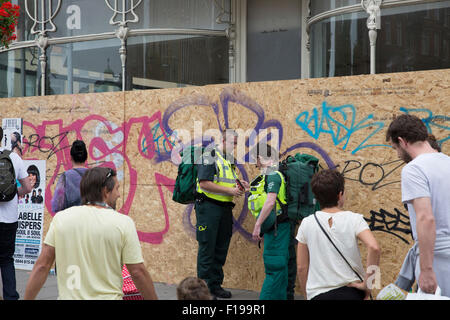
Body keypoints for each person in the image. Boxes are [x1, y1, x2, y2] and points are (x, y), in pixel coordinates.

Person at [24, 167, 158, 300]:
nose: (118, 194)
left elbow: (42, 266)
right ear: (105, 191)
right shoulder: (123, 223)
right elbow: (137, 272)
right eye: (117, 188)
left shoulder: (61, 219)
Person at [386, 114, 450, 296]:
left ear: (402, 141)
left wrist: (427, 269)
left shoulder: (414, 169)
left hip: (437, 260)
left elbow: (425, 218)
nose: (398, 154)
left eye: (395, 148)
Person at [296, 169, 380, 300]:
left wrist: (308, 295)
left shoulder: (306, 223)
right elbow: (374, 247)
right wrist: (368, 285)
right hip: (351, 293)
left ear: (316, 197)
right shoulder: (354, 219)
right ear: (340, 195)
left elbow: (301, 267)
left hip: (317, 295)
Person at [194, 128, 248, 299]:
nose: (235, 146)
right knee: (207, 248)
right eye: (233, 143)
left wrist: (239, 184)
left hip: (224, 209)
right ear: (223, 141)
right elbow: (204, 184)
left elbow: (225, 180)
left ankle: (215, 286)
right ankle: (203, 292)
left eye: (236, 143)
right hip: (209, 208)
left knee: (220, 248)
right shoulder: (210, 155)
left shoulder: (228, 159)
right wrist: (230, 191)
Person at [251, 143, 290, 300]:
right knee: (280, 269)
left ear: (261, 157)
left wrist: (257, 225)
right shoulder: (269, 174)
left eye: (256, 158)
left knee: (274, 268)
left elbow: (270, 202)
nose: (255, 162)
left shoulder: (273, 175)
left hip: (276, 228)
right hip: (276, 227)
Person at [0, 126, 32, 300]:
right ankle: (10, 297)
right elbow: (27, 187)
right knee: (6, 259)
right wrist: (13, 194)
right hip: (9, 220)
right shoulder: (14, 158)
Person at [51, 140, 88, 213]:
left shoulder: (65, 177)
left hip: (71, 221)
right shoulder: (95, 176)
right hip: (90, 222)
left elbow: (56, 206)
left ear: (71, 158)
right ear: (86, 157)